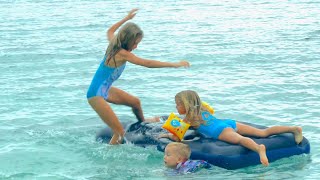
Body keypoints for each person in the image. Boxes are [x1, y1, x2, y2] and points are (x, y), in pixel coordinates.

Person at [87, 9, 190, 145]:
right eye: (135, 43)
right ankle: (110, 160)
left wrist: (127, 18)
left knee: (135, 102)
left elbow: (110, 31)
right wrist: (175, 65)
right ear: (127, 40)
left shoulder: (114, 42)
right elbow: (147, 63)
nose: (136, 46)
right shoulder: (121, 53)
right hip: (96, 95)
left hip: (105, 88)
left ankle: (143, 124)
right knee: (119, 133)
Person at [160, 90, 303, 166]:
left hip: (220, 131)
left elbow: (177, 138)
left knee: (240, 140)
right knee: (263, 132)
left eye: (178, 104)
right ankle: (293, 129)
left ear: (185, 105)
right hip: (228, 123)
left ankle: (259, 149)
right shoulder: (203, 108)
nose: (176, 107)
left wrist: (167, 135)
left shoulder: (188, 119)